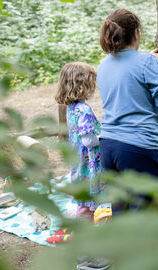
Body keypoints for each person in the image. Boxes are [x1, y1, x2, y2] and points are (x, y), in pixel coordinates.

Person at [96, 9, 158, 181]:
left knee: (122, 207)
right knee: (149, 207)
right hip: (139, 149)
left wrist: (152, 64)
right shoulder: (146, 62)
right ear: (136, 33)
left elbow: (129, 84)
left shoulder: (103, 65)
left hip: (108, 147)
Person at [54, 62, 103, 219]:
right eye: (92, 82)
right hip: (88, 164)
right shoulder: (84, 110)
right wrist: (106, 136)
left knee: (84, 200)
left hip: (78, 161)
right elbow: (89, 140)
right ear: (83, 85)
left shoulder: (72, 107)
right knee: (88, 203)